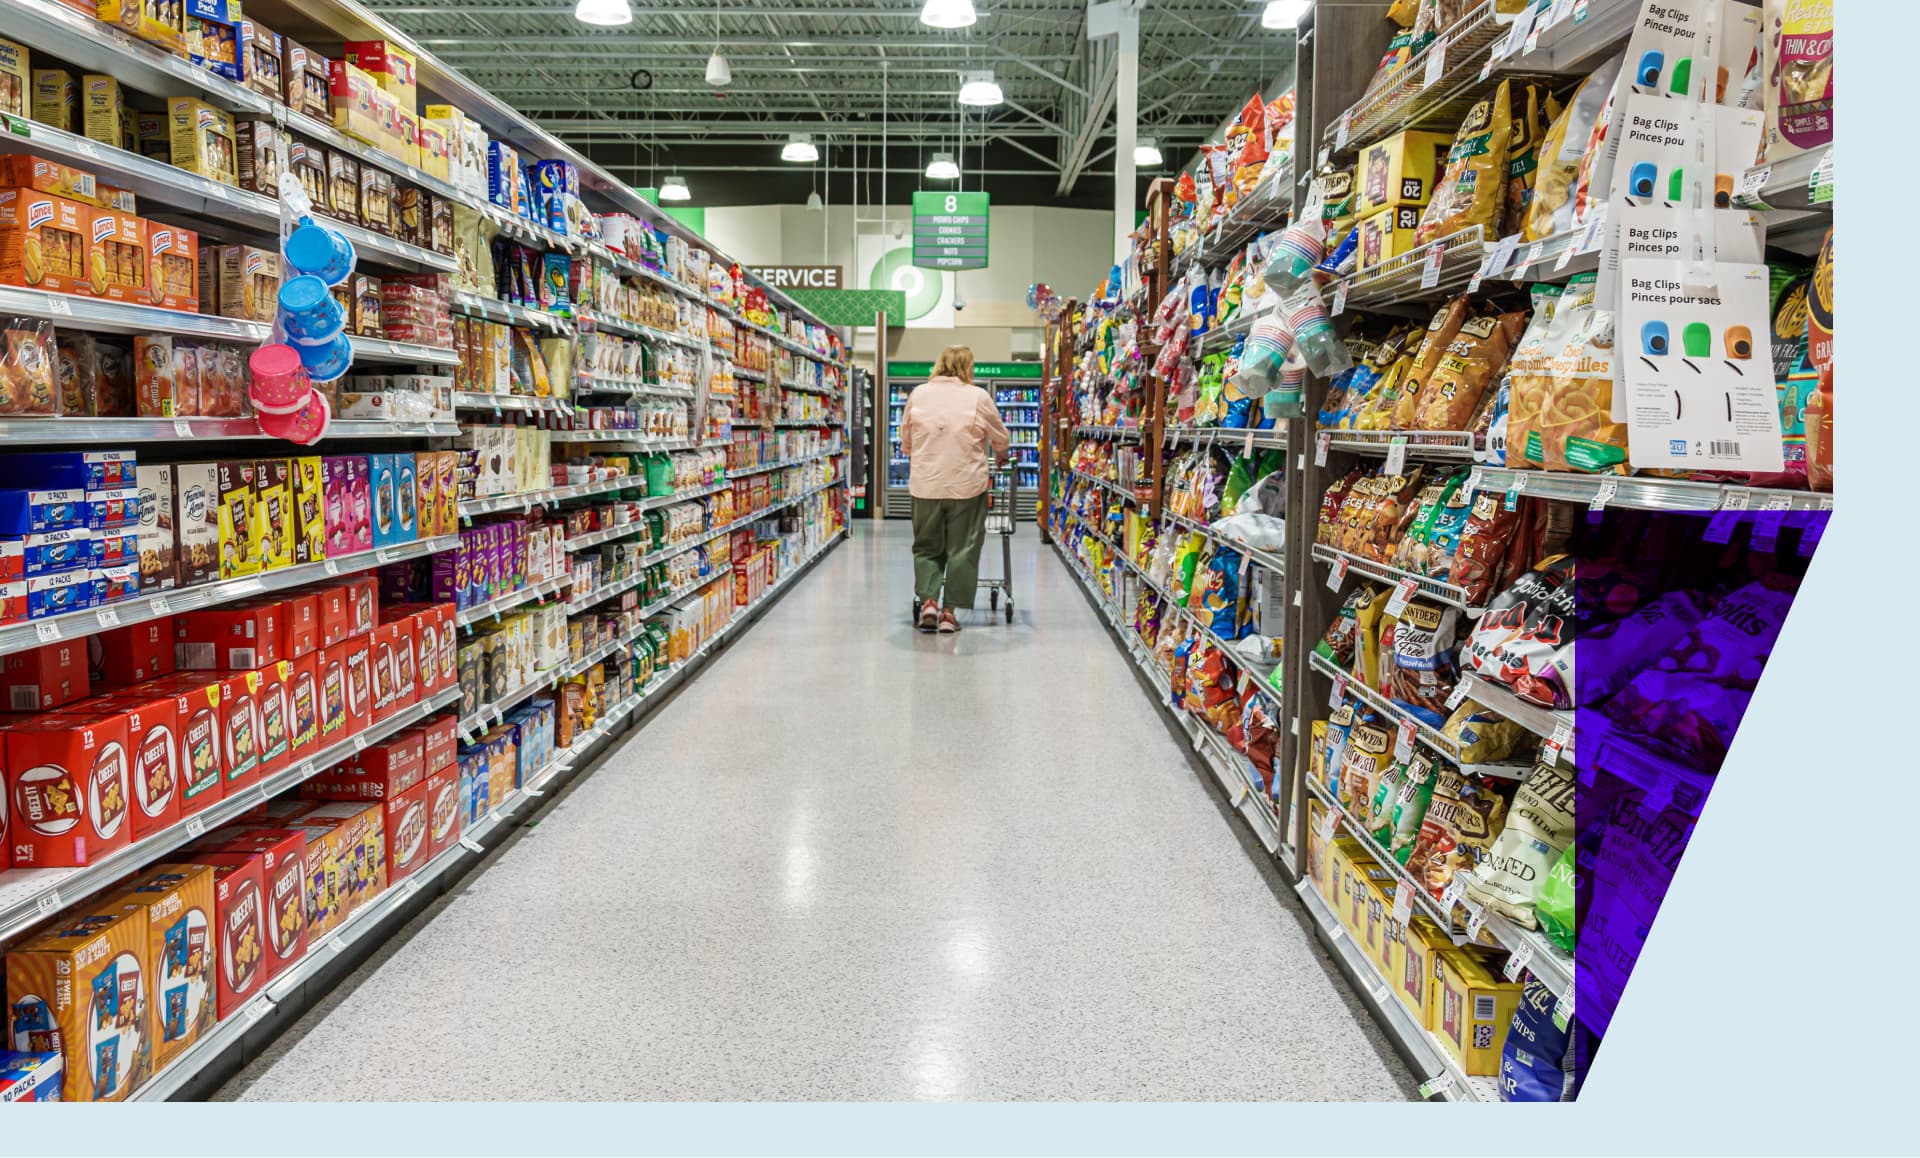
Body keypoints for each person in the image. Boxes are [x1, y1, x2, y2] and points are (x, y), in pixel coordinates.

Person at [898, 344, 1011, 634]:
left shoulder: (919, 394)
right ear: (966, 368)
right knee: (964, 548)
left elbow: (906, 442)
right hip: (967, 487)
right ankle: (949, 613)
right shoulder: (978, 396)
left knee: (926, 547)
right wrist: (1000, 454)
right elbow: (1000, 436)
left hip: (926, 486)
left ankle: (929, 604)